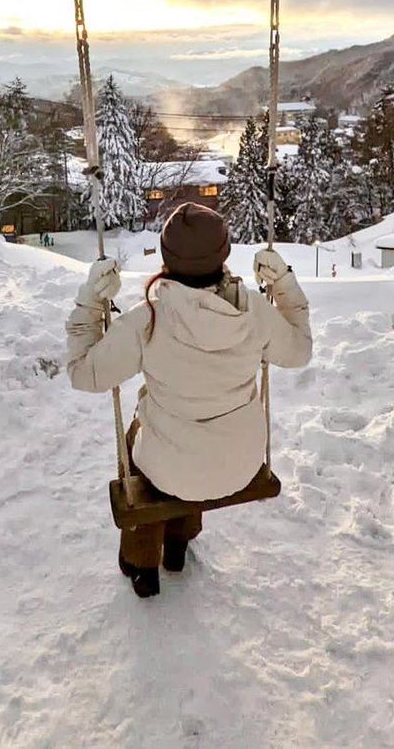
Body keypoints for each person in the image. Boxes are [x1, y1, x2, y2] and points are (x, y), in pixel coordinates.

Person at [66, 202, 311, 599]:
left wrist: (91, 303)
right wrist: (283, 285)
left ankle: (141, 564)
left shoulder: (147, 320)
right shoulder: (256, 313)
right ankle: (178, 544)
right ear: (224, 255)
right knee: (197, 436)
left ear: (166, 257)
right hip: (241, 466)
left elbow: (83, 372)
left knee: (145, 445)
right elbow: (299, 351)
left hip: (175, 470)